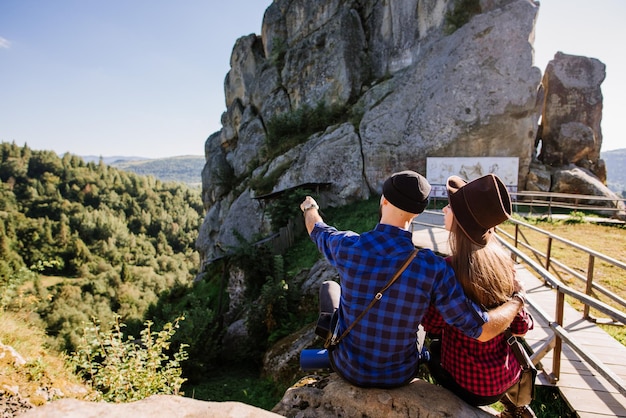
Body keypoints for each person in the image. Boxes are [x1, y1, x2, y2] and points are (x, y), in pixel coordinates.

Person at [300, 170, 525, 388]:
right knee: (415, 327)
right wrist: (516, 301)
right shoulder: (433, 267)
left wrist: (310, 207)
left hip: (347, 367)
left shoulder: (348, 245)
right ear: (417, 214)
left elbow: (316, 228)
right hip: (399, 375)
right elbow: (481, 329)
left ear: (384, 200)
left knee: (330, 288)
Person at [421, 174, 535, 418]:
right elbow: (522, 326)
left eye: (449, 207)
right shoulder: (505, 263)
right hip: (506, 378)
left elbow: (431, 324)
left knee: (431, 352)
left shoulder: (448, 269)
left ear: (461, 221)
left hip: (469, 386)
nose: (443, 209)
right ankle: (513, 407)